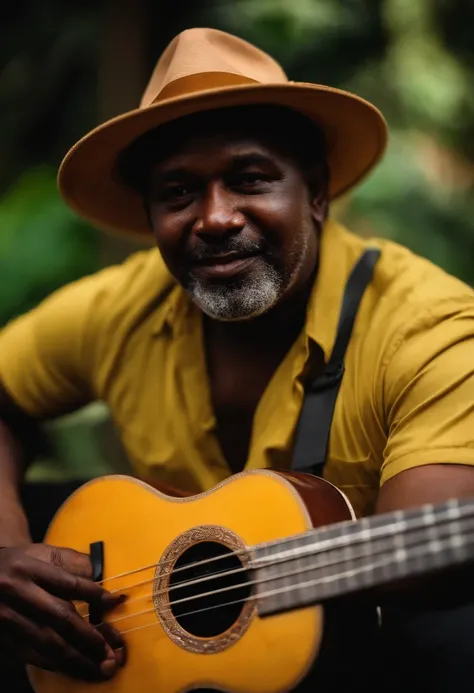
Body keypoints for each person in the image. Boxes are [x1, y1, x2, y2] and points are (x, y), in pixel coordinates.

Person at [0, 26, 474, 692]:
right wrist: (8, 552)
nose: (215, 218)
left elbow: (433, 560)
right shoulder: (122, 306)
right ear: (150, 214)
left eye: (249, 178)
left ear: (316, 192)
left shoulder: (429, 330)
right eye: (179, 193)